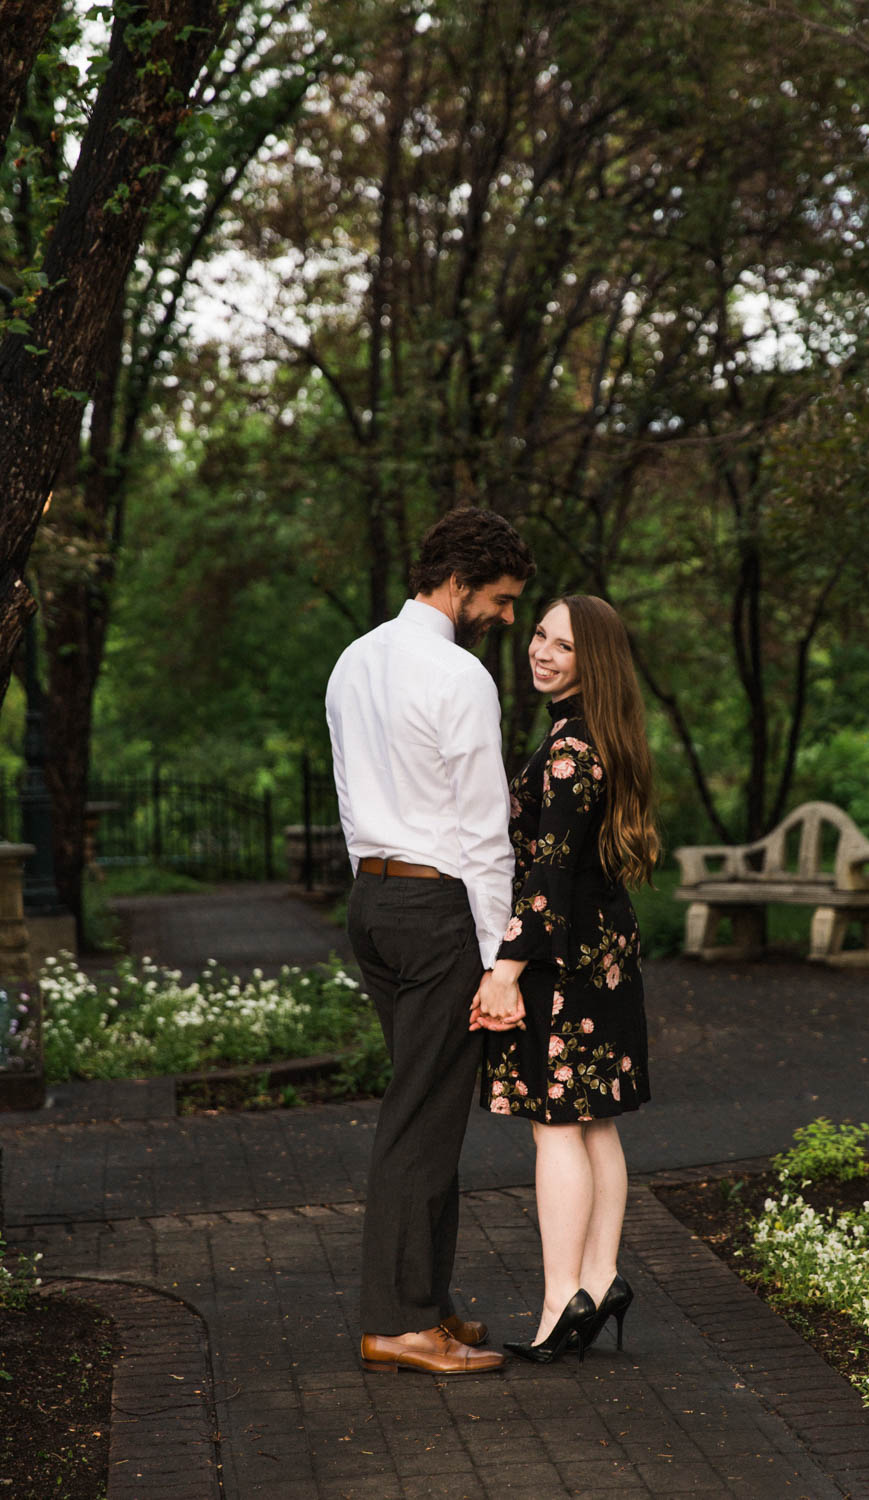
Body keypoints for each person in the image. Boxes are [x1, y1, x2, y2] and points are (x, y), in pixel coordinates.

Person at [326, 506, 535, 1376]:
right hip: (440, 913)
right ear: (458, 583)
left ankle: (430, 1306)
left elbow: (347, 793)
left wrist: (375, 890)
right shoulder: (458, 675)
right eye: (502, 598)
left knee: (430, 1110)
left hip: (374, 903)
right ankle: (399, 1323)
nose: (510, 617)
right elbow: (484, 834)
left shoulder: (354, 659)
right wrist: (500, 962)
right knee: (420, 1120)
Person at [473, 594, 658, 1363]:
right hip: (607, 956)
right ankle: (601, 1278)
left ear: (595, 663)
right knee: (596, 1122)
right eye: (539, 637)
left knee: (556, 1129)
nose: (541, 652)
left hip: (562, 963)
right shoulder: (599, 740)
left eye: (563, 647)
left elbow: (545, 877)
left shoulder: (566, 751)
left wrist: (503, 973)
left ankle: (560, 1301)